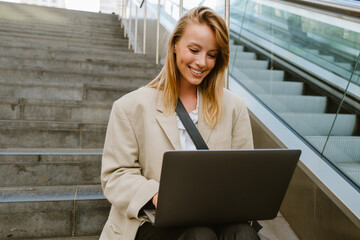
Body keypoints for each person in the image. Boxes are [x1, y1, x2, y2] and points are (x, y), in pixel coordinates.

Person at [100, 6, 259, 240]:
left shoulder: (234, 107)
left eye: (212, 55)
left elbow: (246, 173)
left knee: (244, 234)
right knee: (199, 235)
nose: (202, 62)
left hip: (215, 217)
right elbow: (115, 175)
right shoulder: (130, 106)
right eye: (194, 50)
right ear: (175, 44)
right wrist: (156, 195)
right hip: (151, 221)